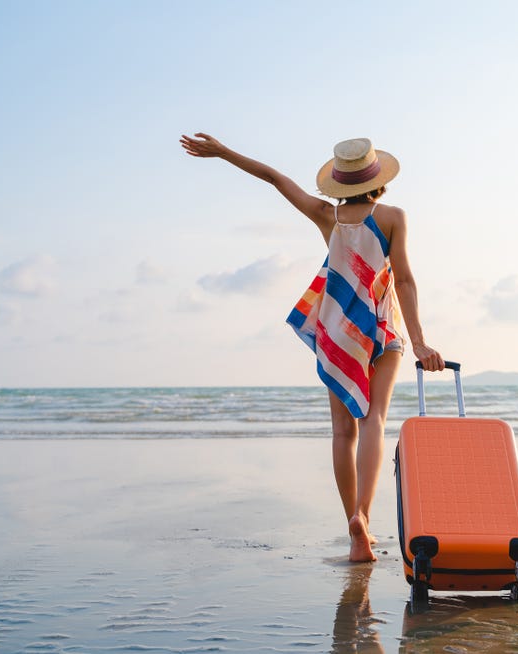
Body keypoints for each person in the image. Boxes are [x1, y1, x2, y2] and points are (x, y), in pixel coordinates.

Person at [180, 133, 444, 562]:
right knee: (375, 419)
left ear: (339, 183)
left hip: (337, 331)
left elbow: (272, 177)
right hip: (379, 328)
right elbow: (407, 280)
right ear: (377, 179)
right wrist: (420, 341)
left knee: (343, 431)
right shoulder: (394, 217)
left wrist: (223, 152)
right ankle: (365, 514)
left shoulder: (326, 215)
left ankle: (354, 525)